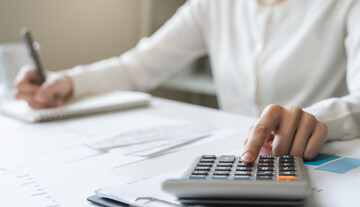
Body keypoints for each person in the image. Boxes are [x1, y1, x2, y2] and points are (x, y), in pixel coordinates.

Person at [13, 0, 360, 163]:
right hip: (237, 159)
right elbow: (138, 66)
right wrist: (68, 81)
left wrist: (319, 118)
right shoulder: (212, 5)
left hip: (318, 160)